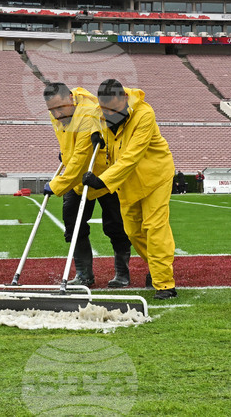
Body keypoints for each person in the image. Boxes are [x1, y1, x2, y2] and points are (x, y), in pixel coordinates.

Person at [82, 78, 178, 300]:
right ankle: (156, 268)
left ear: (124, 98)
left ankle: (165, 284)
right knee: (133, 232)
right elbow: (92, 116)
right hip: (127, 181)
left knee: (155, 227)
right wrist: (95, 132)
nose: (109, 115)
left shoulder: (144, 114)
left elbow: (132, 156)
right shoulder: (101, 110)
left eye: (113, 110)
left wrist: (102, 181)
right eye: (105, 110)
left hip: (155, 177)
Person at [42, 82, 131, 288]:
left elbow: (81, 158)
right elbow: (68, 142)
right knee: (72, 222)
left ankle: (122, 273)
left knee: (115, 225)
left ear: (71, 99)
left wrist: (56, 185)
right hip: (77, 180)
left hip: (104, 175)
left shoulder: (88, 114)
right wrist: (65, 153)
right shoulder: (57, 113)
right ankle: (84, 274)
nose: (56, 114)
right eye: (52, 110)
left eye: (60, 108)